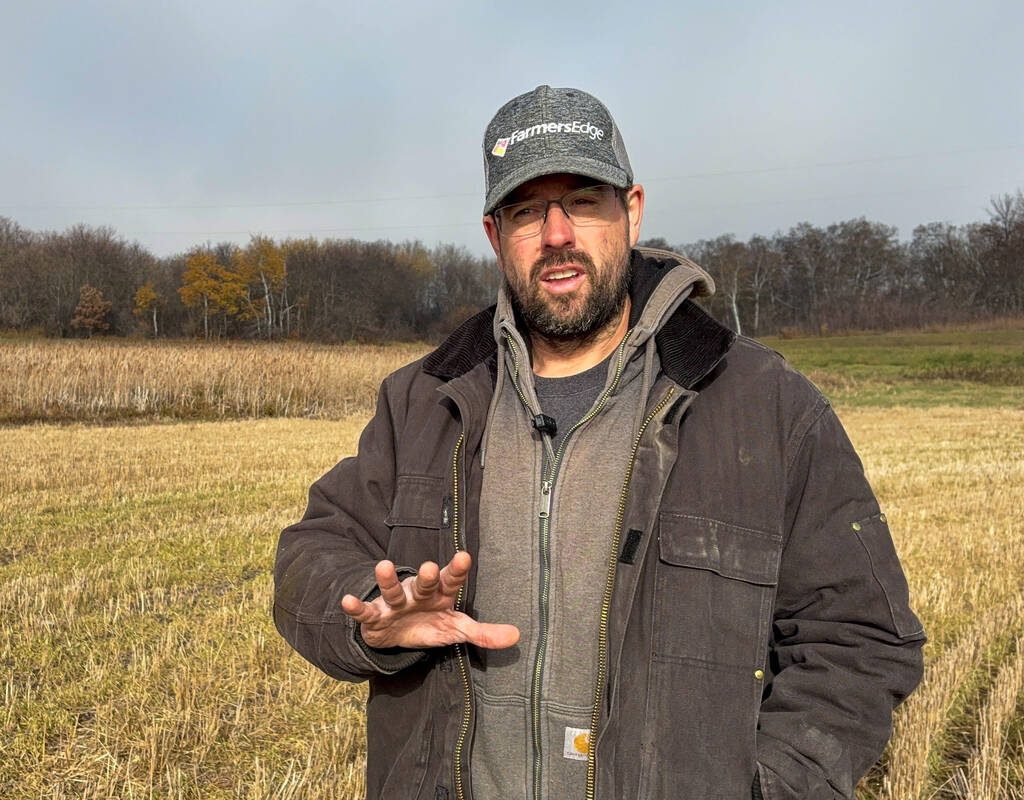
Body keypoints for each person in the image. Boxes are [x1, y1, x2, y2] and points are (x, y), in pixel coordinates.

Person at [273, 85, 925, 800]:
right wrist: (372, 613)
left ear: (632, 211)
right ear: (494, 236)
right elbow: (311, 551)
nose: (557, 234)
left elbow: (859, 638)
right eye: (527, 210)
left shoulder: (763, 404)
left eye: (582, 200)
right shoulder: (424, 400)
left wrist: (771, 786)